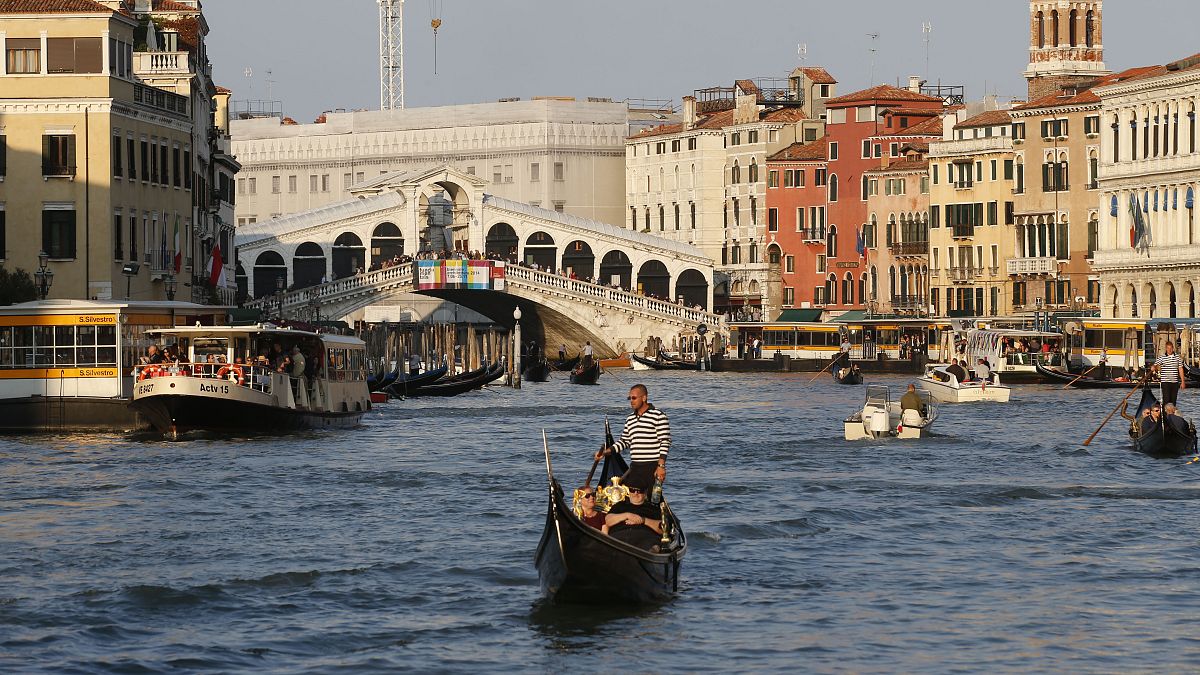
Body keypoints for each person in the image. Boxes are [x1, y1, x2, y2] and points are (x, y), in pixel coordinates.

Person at [596, 384, 671, 494]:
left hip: (652, 467)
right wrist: (606, 452)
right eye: (629, 398)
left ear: (644, 398)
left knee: (652, 500)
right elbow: (624, 441)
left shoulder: (658, 415)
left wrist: (661, 466)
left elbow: (665, 441)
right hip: (635, 467)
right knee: (632, 499)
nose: (631, 401)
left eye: (634, 398)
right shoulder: (630, 419)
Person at [602, 484, 662, 548]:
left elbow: (662, 529)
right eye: (632, 490)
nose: (635, 493)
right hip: (619, 536)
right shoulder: (619, 506)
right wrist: (627, 515)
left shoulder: (652, 508)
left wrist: (643, 520)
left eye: (639, 491)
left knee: (652, 544)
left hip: (645, 537)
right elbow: (608, 521)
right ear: (629, 491)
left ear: (645, 493)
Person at [1154, 340, 1185, 406]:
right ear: (1166, 348)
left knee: (1173, 401)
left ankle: (1172, 415)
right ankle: (1166, 415)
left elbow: (1180, 369)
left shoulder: (1177, 357)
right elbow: (1155, 365)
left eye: (1170, 348)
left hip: (1175, 382)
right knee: (1166, 400)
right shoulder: (1162, 357)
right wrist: (1153, 367)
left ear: (1173, 348)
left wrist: (1183, 382)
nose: (1169, 350)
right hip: (1165, 382)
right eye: (1168, 348)